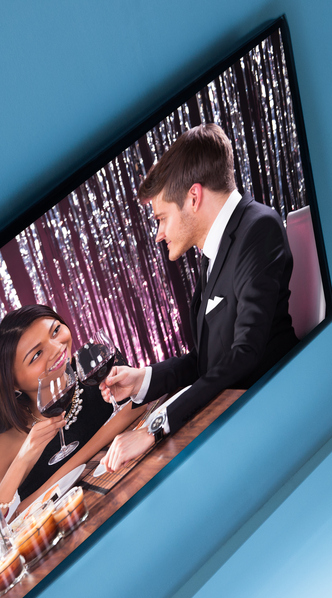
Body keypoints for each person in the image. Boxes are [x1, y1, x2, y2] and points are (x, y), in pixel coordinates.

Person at [98, 122, 297, 469]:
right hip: (234, 421)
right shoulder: (214, 249)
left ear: (193, 197)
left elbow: (245, 355)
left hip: (272, 420)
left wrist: (153, 428)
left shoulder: (258, 229)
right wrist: (142, 379)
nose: (159, 234)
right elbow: (208, 362)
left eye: (161, 218)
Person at [0, 304, 142, 567]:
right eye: (36, 355)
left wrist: (36, 497)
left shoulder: (94, 361)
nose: (57, 348)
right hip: (73, 549)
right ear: (12, 383)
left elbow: (139, 405)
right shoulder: (8, 443)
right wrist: (22, 459)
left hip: (132, 493)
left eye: (56, 331)